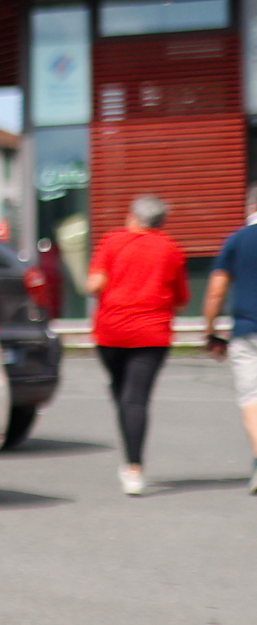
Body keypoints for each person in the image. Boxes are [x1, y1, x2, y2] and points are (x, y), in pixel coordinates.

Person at [86, 194, 189, 495]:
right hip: (151, 334)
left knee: (122, 393)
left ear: (133, 217)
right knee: (137, 398)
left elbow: (93, 285)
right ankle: (135, 469)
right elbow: (181, 298)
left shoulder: (112, 242)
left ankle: (130, 460)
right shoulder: (171, 249)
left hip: (111, 331)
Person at [203, 184, 257, 494]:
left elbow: (216, 289)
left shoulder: (236, 241)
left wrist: (211, 331)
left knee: (251, 396)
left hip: (246, 331)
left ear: (249, 207)